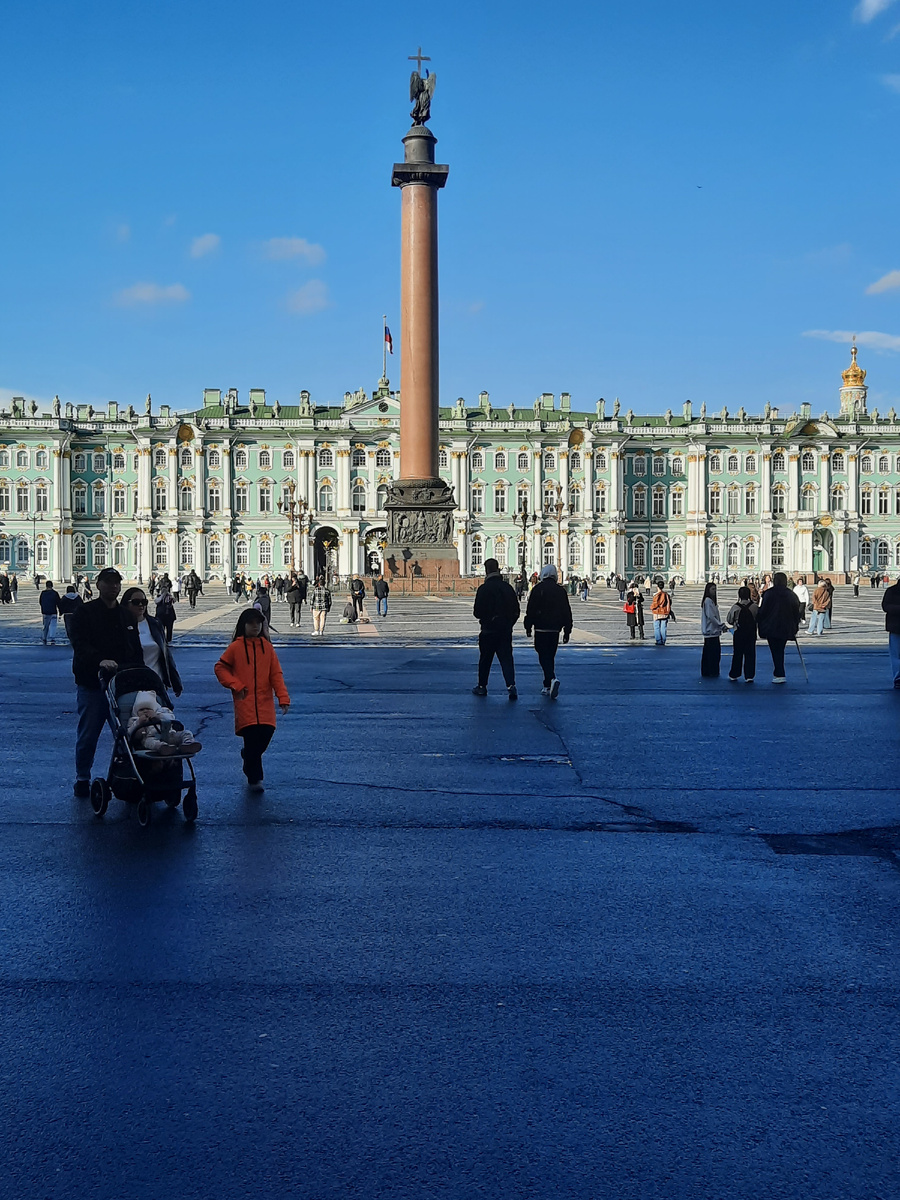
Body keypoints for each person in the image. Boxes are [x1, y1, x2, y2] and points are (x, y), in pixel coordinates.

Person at [69, 567, 142, 797]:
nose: (113, 586)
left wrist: (138, 672)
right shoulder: (85, 612)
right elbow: (80, 645)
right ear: (98, 584)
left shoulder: (126, 615)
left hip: (120, 685)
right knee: (89, 734)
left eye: (116, 583)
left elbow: (135, 648)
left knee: (127, 735)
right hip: (93, 683)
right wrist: (100, 660)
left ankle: (126, 776)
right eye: (108, 582)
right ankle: (82, 777)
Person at [214, 609, 290, 792]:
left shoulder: (267, 648)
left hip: (265, 703)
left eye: (258, 623)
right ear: (243, 625)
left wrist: (283, 697)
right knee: (252, 741)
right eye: (251, 623)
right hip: (245, 702)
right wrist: (236, 685)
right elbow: (220, 668)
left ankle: (248, 757)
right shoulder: (236, 647)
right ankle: (255, 780)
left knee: (265, 735)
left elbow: (276, 675)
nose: (255, 626)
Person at [121, 587, 183, 698]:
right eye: (136, 602)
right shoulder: (120, 626)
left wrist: (175, 681)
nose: (141, 605)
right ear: (126, 604)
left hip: (157, 683)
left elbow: (166, 654)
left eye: (144, 602)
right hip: (132, 685)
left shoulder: (154, 623)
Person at [472, 558, 520, 699]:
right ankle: (511, 686)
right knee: (506, 659)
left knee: (485, 659)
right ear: (497, 569)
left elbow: (477, 612)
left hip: (488, 630)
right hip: (504, 630)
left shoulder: (483, 589)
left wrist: (487, 618)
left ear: (486, 571)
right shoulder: (507, 588)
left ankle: (482, 686)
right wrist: (509, 623)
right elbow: (516, 610)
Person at [523, 563, 572, 699]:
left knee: (542, 655)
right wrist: (567, 630)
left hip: (540, 628)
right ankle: (547, 684)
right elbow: (566, 612)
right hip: (555, 629)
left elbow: (530, 610)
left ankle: (551, 678)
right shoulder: (560, 591)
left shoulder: (538, 589)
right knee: (550, 656)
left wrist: (528, 627)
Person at [757, 571, 801, 684]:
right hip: (785, 626)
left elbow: (763, 611)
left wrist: (759, 620)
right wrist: (795, 624)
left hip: (771, 626)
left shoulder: (769, 594)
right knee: (780, 649)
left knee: (775, 650)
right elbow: (797, 611)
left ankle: (779, 673)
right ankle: (779, 672)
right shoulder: (791, 594)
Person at [128, 691, 200, 756]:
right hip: (149, 738)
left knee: (186, 733)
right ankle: (163, 748)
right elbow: (130, 732)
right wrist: (139, 723)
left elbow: (171, 718)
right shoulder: (134, 719)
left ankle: (188, 744)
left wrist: (157, 717)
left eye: (148, 709)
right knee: (150, 742)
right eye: (141, 710)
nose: (145, 711)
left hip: (170, 734)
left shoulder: (161, 713)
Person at [726, 586, 758, 682]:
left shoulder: (735, 607)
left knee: (737, 653)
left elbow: (729, 620)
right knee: (750, 654)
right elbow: (758, 618)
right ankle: (749, 675)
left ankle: (734, 674)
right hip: (751, 633)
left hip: (738, 633)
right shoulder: (754, 607)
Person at [700, 582, 727, 678]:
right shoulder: (708, 601)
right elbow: (711, 617)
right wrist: (721, 625)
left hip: (712, 631)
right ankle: (712, 670)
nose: (714, 591)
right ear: (708, 590)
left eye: (715, 589)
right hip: (711, 631)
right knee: (713, 653)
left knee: (708, 653)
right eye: (712, 589)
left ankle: (707, 671)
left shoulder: (709, 601)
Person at [881, 578, 900, 687]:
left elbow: (886, 606)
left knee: (896, 655)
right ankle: (898, 678)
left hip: (894, 627)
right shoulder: (892, 591)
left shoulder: (890, 590)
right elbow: (885, 606)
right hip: (895, 627)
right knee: (896, 654)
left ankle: (898, 678)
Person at [39, 579, 62, 645]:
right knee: (53, 626)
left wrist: (43, 608)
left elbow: (40, 602)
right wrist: (60, 611)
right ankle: (52, 638)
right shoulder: (55, 593)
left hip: (45, 612)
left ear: (46, 586)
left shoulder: (43, 593)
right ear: (52, 586)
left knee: (45, 626)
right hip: (53, 611)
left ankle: (44, 637)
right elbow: (58, 602)